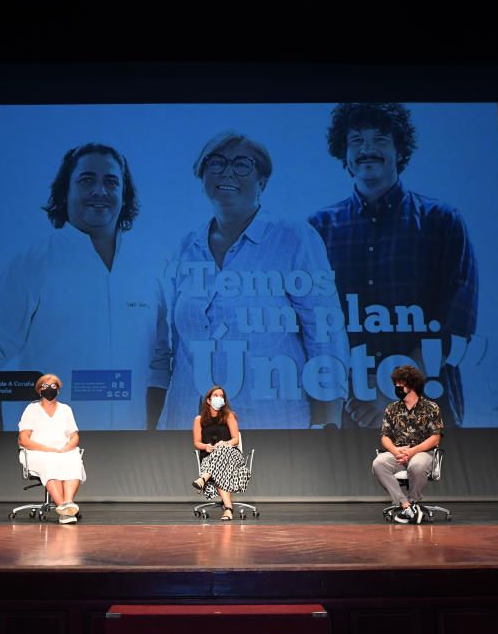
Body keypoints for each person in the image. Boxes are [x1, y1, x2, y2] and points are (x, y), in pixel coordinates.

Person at [149, 131, 350, 430]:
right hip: (187, 424)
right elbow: (177, 346)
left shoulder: (295, 238)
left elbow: (326, 337)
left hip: (270, 424)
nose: (227, 172)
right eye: (216, 163)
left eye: (242, 164)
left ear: (262, 182)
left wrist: (328, 424)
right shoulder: (185, 247)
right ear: (202, 175)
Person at [0, 142, 159, 431]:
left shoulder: (149, 269)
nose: (99, 190)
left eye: (111, 181)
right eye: (86, 180)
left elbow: (160, 363)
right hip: (49, 451)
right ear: (65, 191)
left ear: (124, 194)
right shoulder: (32, 264)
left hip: (130, 454)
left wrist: (153, 437)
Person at [308, 103, 478, 430]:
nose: (367, 149)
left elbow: (454, 326)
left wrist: (389, 395)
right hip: (349, 409)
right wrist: (355, 395)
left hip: (428, 405)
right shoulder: (317, 229)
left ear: (400, 149)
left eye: (380, 139)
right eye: (356, 140)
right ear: (343, 154)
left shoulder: (442, 221)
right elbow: (313, 328)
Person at [371, 365, 443, 524]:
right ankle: (405, 506)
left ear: (412, 386)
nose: (396, 388)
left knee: (416, 465)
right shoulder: (392, 409)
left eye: (400, 385)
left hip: (422, 452)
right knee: (379, 463)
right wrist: (395, 450)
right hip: (399, 453)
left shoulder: (431, 408)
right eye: (395, 384)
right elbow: (385, 437)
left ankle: (413, 501)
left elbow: (435, 438)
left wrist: (412, 452)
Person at [17, 373, 86, 524]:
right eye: (45, 386)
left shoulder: (66, 409)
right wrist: (47, 449)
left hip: (62, 450)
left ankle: (68, 504)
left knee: (73, 459)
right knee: (49, 462)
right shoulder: (32, 409)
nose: (49, 389)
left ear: (58, 390)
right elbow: (23, 439)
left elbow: (74, 436)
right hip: (37, 451)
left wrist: (66, 447)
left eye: (53, 386)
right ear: (39, 390)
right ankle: (63, 510)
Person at [191, 386, 251, 521]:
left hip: (231, 456)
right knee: (220, 469)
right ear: (208, 400)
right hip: (209, 456)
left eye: (221, 396)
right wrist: (206, 447)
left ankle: (203, 478)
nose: (219, 398)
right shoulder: (198, 420)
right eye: (216, 395)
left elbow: (235, 439)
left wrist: (225, 443)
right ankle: (228, 509)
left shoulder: (229, 416)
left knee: (222, 450)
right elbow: (197, 443)